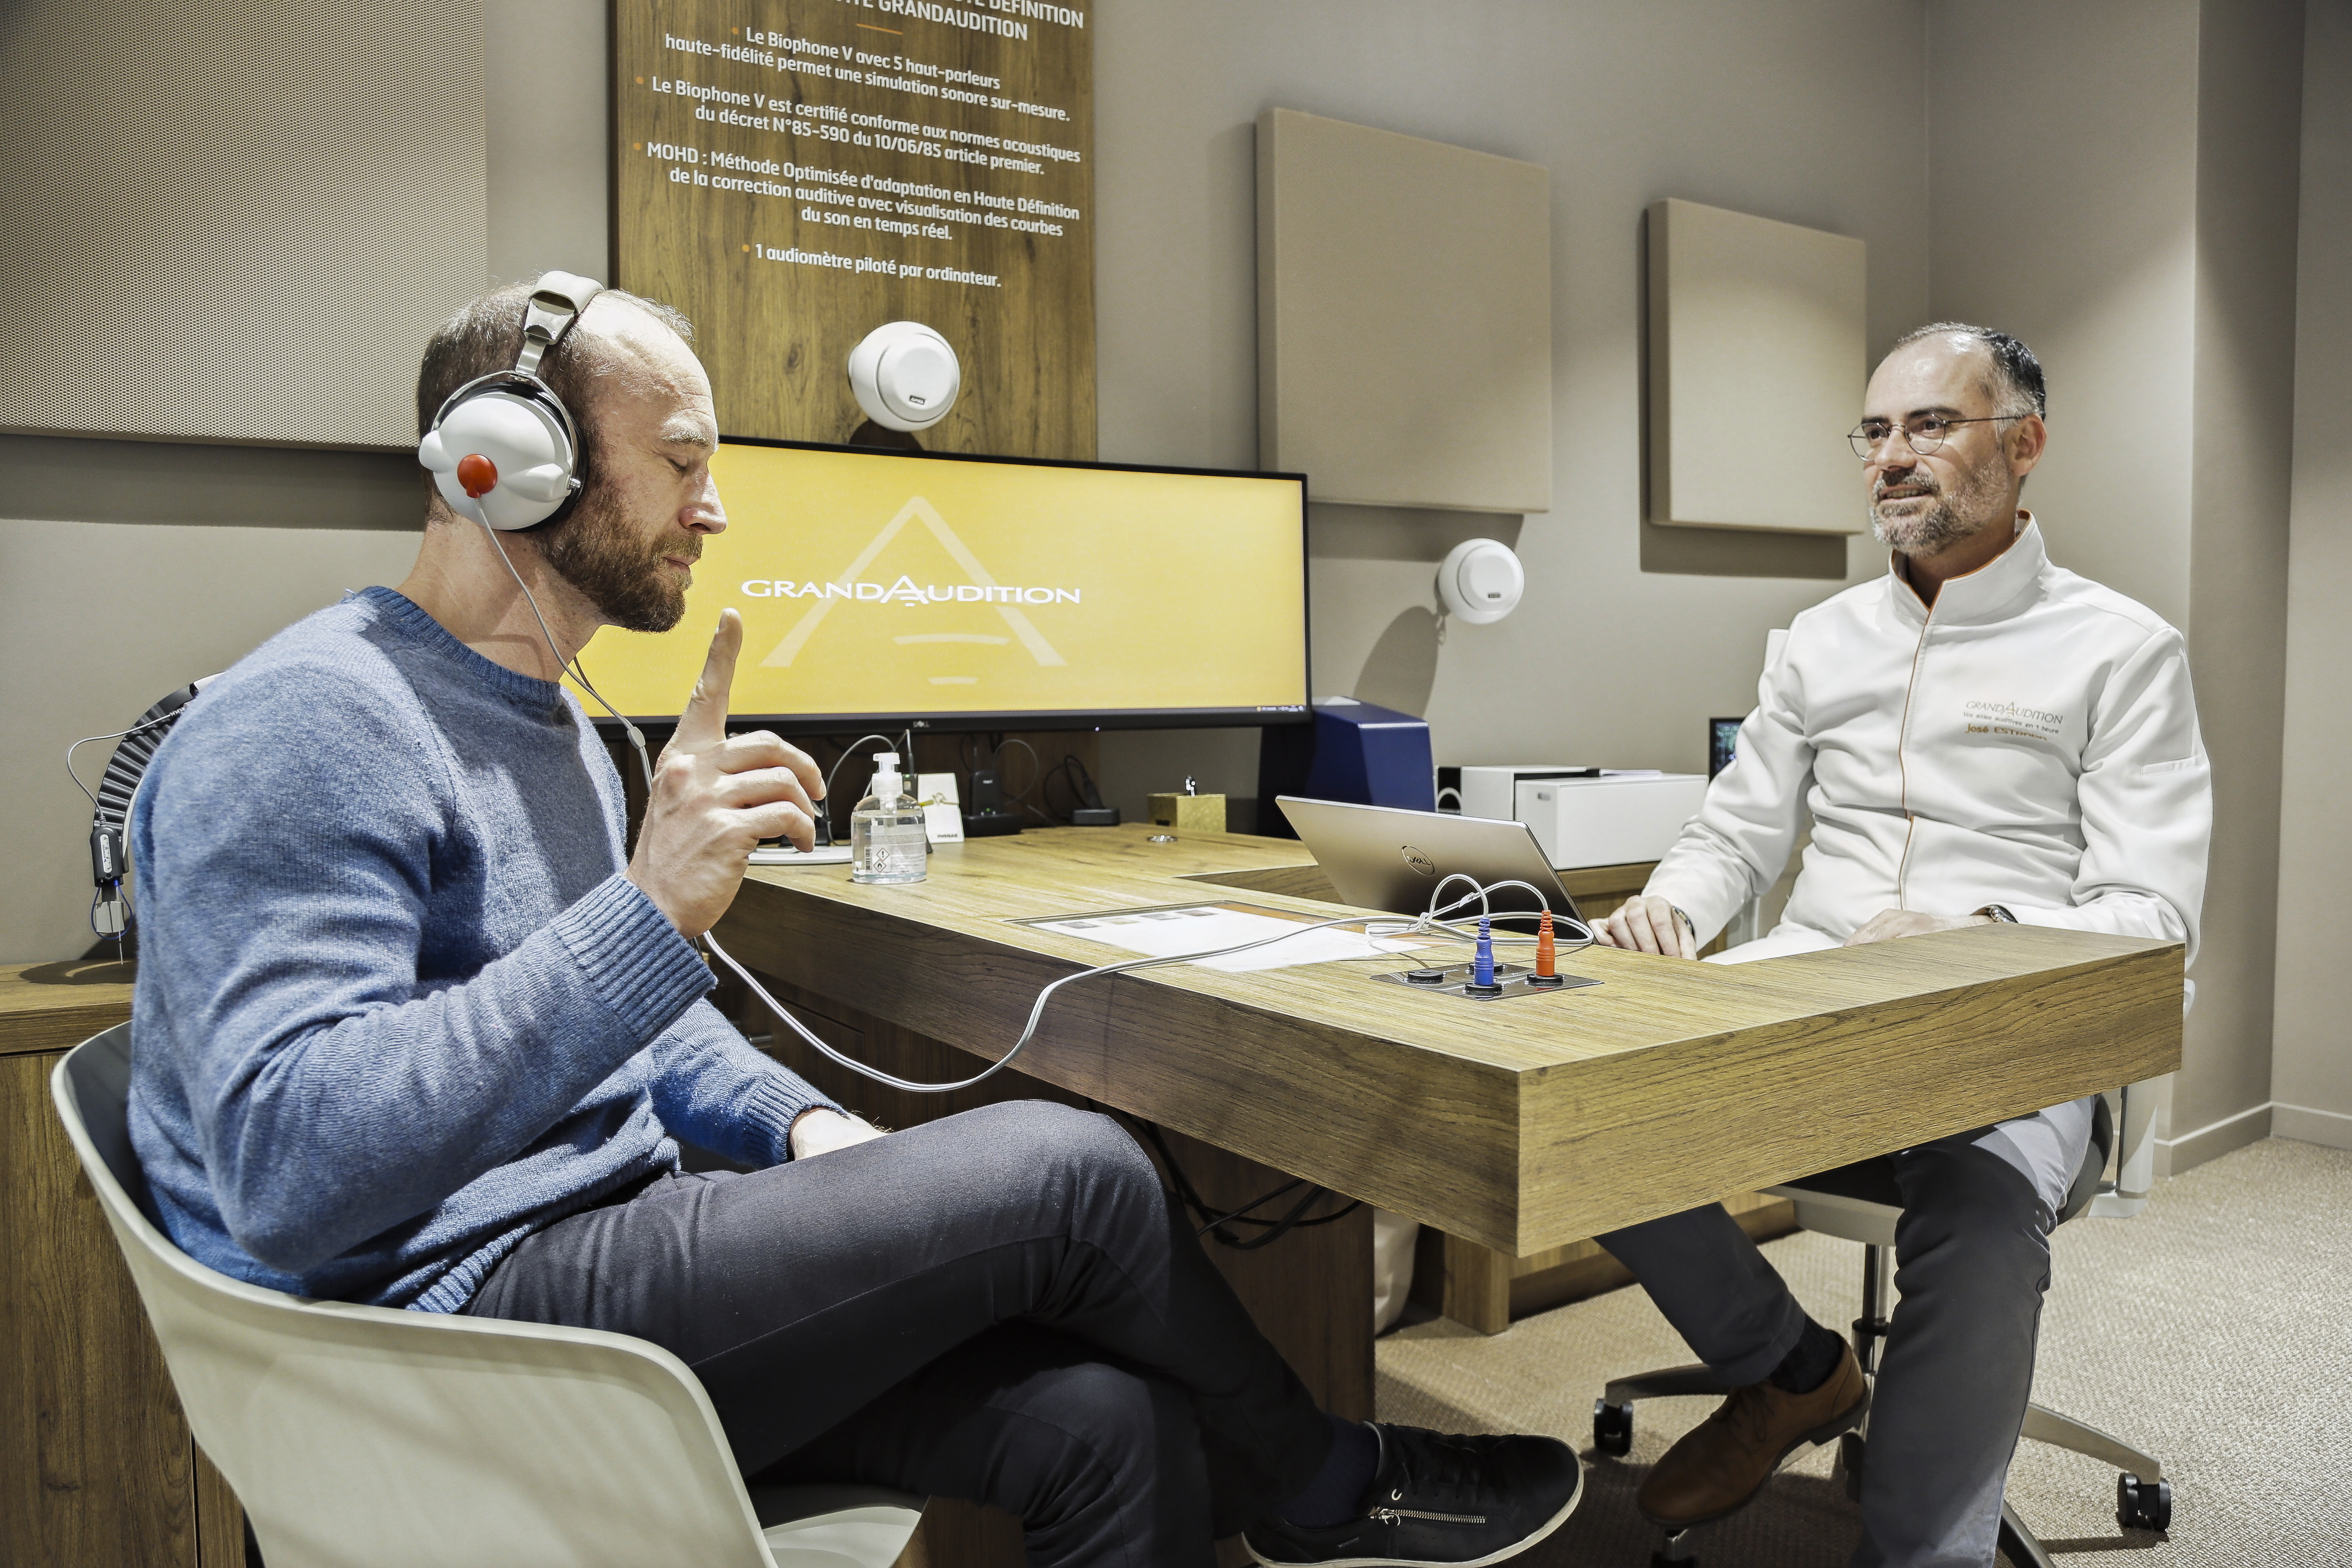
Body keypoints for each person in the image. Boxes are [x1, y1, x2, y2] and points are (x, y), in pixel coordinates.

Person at [125, 277, 1582, 1568]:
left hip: (606, 1247)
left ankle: (1303, 1486)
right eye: (681, 462)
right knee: (1075, 1165)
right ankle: (1328, 1481)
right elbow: (291, 1164)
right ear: (507, 468)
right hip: (441, 1327)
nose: (714, 507)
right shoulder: (311, 721)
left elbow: (648, 1018)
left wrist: (798, 1123)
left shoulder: (558, 728)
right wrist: (644, 914)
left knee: (1108, 1422)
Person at [1591, 323, 2209, 1568]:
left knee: (1975, 1229)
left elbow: (2153, 917)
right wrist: (1673, 907)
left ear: (2024, 445)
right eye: (1875, 432)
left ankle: (1923, 1551)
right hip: (1817, 996)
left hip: (2014, 1029)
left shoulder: (2121, 649)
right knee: (1585, 1126)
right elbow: (1737, 833)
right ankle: (1793, 1372)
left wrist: (1977, 932)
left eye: (1932, 425)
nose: (1892, 457)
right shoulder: (1819, 640)